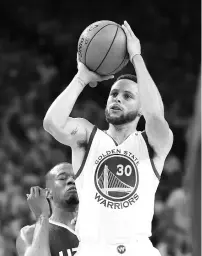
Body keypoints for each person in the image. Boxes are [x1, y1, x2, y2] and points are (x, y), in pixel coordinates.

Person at [43, 21, 173, 256]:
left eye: (127, 96)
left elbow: (155, 114)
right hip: (93, 250)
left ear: (141, 107)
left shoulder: (153, 143)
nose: (117, 99)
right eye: (113, 93)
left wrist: (136, 57)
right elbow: (52, 123)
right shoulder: (87, 136)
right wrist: (81, 78)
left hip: (138, 250)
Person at [16, 162, 79, 256]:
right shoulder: (30, 233)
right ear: (48, 193)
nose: (71, 181)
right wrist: (42, 215)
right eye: (62, 178)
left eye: (76, 178)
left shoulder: (97, 226)